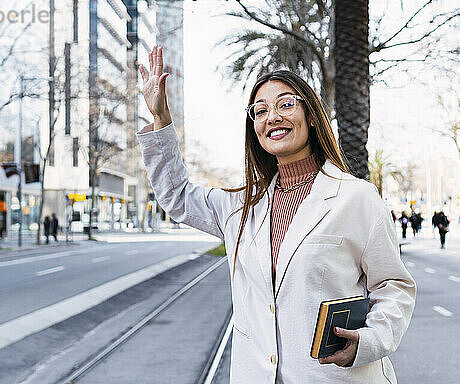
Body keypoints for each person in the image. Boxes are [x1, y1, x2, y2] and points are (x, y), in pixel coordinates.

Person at [136, 45, 415, 383]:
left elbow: (394, 286)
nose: (273, 117)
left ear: (311, 116)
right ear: (254, 127)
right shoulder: (239, 207)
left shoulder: (357, 198)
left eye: (285, 104)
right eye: (260, 110)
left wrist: (367, 341)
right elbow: (176, 195)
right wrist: (161, 120)